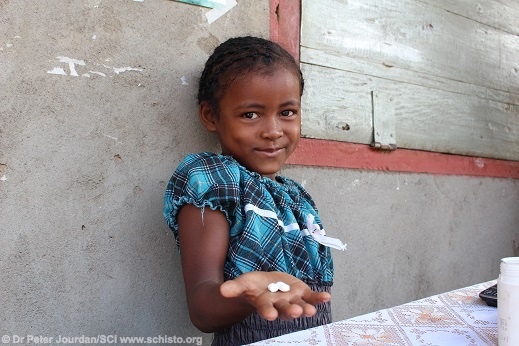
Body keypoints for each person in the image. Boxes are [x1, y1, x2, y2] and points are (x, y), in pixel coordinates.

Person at [163, 36, 346, 346]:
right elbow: (202, 309)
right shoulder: (213, 181)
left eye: (287, 112)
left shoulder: (297, 199)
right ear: (210, 116)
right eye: (251, 114)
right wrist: (251, 296)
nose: (273, 130)